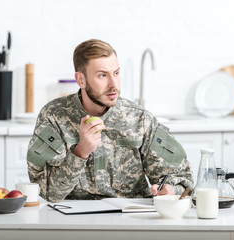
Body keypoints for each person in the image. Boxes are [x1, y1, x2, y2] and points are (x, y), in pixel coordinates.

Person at [26, 39, 194, 202]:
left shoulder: (140, 118)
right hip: (73, 222)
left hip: (131, 220)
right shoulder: (54, 116)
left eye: (116, 73)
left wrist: (170, 191)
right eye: (102, 75)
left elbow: (184, 182)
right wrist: (80, 152)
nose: (114, 84)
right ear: (81, 80)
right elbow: (46, 192)